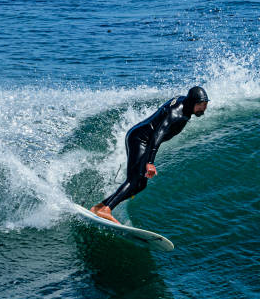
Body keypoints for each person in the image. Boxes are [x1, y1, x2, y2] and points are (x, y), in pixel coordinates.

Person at [90, 86, 209, 223]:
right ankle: (106, 210)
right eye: (201, 105)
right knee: (134, 180)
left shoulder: (184, 102)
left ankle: (99, 207)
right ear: (192, 102)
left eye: (205, 105)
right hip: (139, 139)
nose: (203, 108)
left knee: (141, 185)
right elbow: (157, 136)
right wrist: (150, 163)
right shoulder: (176, 114)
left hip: (141, 138)